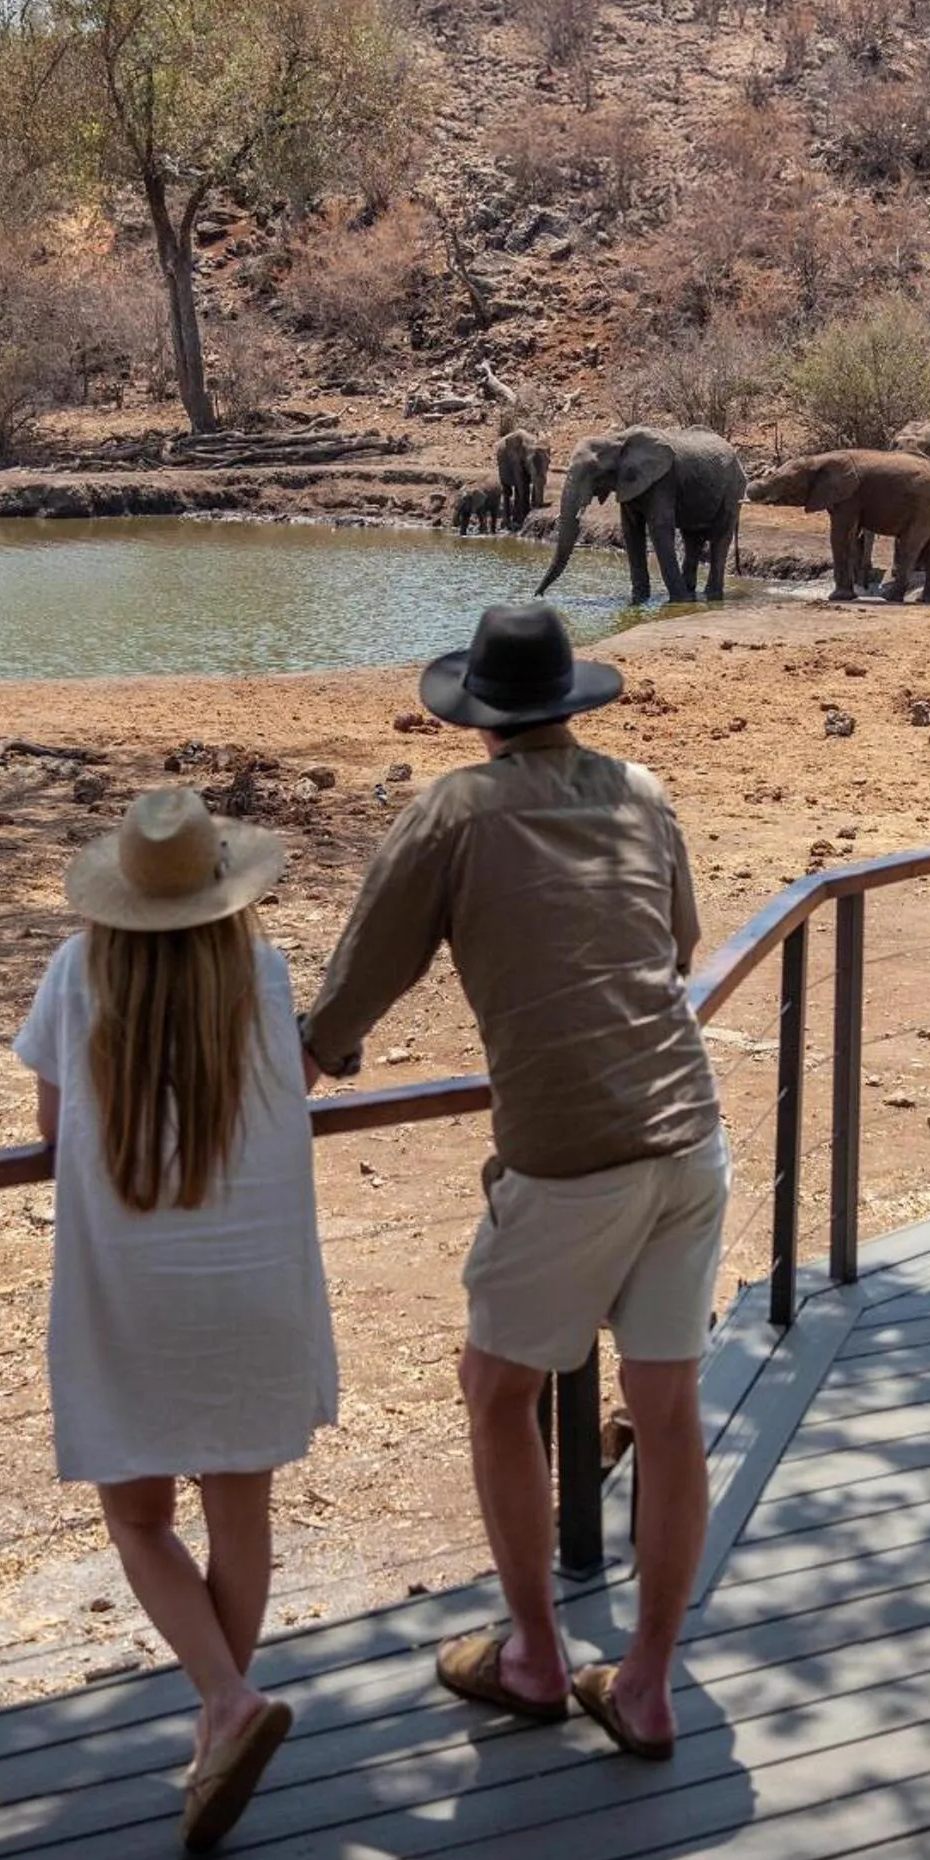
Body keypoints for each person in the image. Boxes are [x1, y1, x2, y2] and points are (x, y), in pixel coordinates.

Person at [301, 602, 728, 1762]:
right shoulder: (641, 789)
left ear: (479, 717)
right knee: (668, 1407)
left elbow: (361, 978)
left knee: (496, 1387)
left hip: (572, 1152)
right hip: (691, 1131)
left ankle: (535, 1654)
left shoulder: (455, 810)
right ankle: (646, 1686)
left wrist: (307, 1059)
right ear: (569, 704)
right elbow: (677, 946)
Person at [15, 787, 338, 1853]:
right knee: (241, 1515)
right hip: (252, 1281)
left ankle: (228, 1705)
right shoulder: (265, 973)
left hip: (132, 1288)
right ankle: (219, 1727)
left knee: (140, 1517)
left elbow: (51, 1125)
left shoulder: (77, 973)